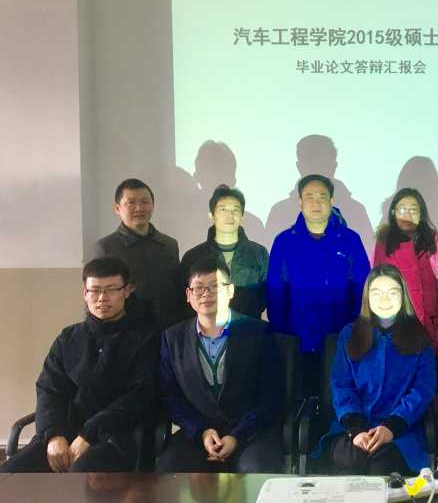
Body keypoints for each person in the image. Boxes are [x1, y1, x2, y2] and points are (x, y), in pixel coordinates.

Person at [0, 258, 157, 473]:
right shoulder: (69, 338)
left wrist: (89, 434)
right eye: (95, 291)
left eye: (112, 290)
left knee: (80, 477)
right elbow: (49, 390)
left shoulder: (147, 338)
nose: (102, 298)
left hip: (118, 436)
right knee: (9, 476)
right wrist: (53, 435)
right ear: (85, 293)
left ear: (127, 291)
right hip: (64, 434)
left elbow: (140, 396)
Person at [157, 258, 284, 473]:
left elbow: (271, 395)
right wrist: (202, 431)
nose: (206, 294)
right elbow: (170, 397)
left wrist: (237, 436)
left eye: (215, 286)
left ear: (230, 291)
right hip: (198, 433)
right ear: (188, 295)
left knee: (257, 469)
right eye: (199, 288)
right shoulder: (173, 338)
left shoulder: (258, 332)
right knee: (170, 468)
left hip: (251, 433)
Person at [317, 264, 436, 475]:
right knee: (350, 460)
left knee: (382, 467)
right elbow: (341, 386)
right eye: (377, 293)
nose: (384, 300)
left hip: (400, 432)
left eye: (392, 293)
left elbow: (422, 390)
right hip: (352, 429)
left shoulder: (419, 337)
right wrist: (357, 429)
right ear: (367, 298)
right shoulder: (349, 334)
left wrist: (392, 427)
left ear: (403, 297)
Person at [267, 174, 370, 396]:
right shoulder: (285, 241)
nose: (316, 202)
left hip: (341, 337)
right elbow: (276, 293)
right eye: (309, 197)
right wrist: (283, 335)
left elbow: (362, 287)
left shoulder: (350, 240)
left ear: (331, 201)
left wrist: (353, 330)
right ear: (299, 202)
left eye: (322, 197)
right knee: (302, 396)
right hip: (298, 336)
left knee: (337, 397)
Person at [94, 178, 180, 329]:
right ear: (117, 208)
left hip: (167, 328)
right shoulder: (105, 247)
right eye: (131, 203)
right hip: (125, 330)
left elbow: (177, 289)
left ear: (153, 205)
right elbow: (95, 296)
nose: (139, 208)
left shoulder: (169, 245)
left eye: (144, 202)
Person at [373, 188, 438, 349]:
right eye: (402, 209)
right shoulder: (384, 243)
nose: (407, 214)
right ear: (393, 212)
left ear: (421, 214)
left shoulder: (435, 242)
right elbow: (375, 282)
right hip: (394, 321)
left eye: (413, 210)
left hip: (429, 321)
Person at [179, 184, 268, 320]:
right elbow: (183, 299)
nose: (229, 215)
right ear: (211, 215)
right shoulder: (193, 256)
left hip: (249, 327)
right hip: (205, 329)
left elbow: (267, 295)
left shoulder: (259, 253)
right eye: (223, 210)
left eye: (235, 210)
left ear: (242, 216)